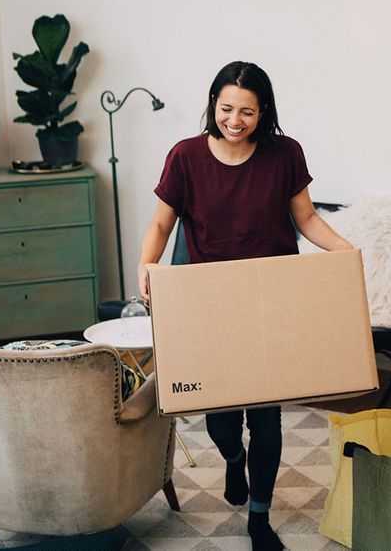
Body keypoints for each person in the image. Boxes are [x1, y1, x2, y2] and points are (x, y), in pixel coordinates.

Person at [137, 61, 352, 550]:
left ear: (264, 112)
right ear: (213, 104)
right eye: (227, 108)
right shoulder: (185, 157)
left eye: (248, 112)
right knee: (220, 421)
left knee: (267, 417)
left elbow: (307, 218)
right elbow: (160, 225)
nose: (235, 120)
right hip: (209, 304)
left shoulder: (284, 154)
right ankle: (234, 461)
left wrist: (343, 249)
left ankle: (259, 517)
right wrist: (146, 264)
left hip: (269, 300)